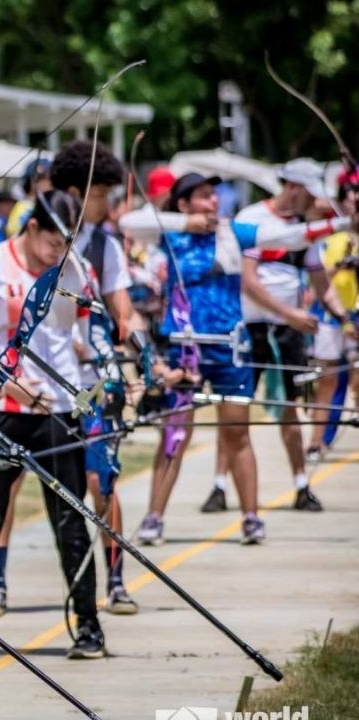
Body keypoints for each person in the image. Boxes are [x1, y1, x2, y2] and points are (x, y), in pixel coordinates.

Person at [119, 173, 349, 545]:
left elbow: (288, 237)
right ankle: (154, 518)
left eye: (215, 195)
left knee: (237, 433)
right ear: (183, 204)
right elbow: (128, 222)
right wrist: (186, 223)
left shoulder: (230, 233)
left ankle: (251, 518)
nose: (214, 202)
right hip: (185, 349)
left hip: (229, 348)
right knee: (175, 434)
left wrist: (341, 223)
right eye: (205, 196)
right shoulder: (171, 233)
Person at [0, 190, 106, 661]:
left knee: (70, 518)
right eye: (52, 243)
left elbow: (87, 346)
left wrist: (97, 393)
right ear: (30, 229)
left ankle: (88, 627)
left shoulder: (77, 270)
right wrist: (10, 387)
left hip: (59, 411)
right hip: (1, 411)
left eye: (66, 244)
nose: (58, 254)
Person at [0, 141, 142, 617]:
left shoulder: (103, 246)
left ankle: (114, 578)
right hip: (30, 386)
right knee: (5, 482)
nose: (109, 205)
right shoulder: (34, 231)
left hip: (89, 386)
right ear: (77, 191)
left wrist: (132, 344)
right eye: (102, 194)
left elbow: (120, 311)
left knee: (100, 476)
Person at [206, 159, 347, 513]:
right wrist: (292, 315)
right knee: (235, 409)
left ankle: (301, 485)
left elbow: (322, 286)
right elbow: (248, 282)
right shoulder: (253, 218)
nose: (315, 203)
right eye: (310, 195)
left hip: (288, 333)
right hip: (252, 330)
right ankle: (220, 485)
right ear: (294, 188)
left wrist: (347, 320)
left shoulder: (304, 229)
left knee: (290, 409)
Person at [307, 170, 359, 460]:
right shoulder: (331, 239)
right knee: (328, 380)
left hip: (357, 312)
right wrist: (343, 262)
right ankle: (318, 441)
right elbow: (318, 277)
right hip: (331, 316)